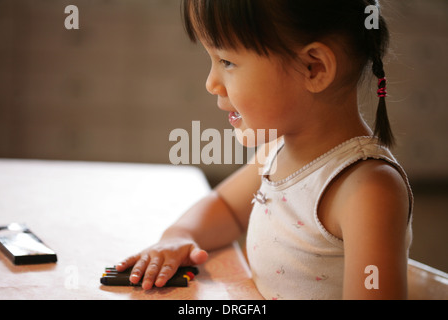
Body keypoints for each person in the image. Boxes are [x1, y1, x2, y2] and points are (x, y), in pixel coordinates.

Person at [116, 0, 413, 299]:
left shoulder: (367, 190)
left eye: (227, 62)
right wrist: (179, 236)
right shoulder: (276, 150)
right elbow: (227, 208)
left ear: (314, 68)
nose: (211, 83)